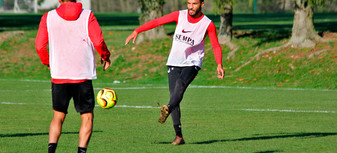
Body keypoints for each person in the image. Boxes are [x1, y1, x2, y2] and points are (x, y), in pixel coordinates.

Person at [125, 0, 224, 145]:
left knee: (180, 85)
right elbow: (158, 21)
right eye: (189, 3)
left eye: (194, 3)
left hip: (192, 62)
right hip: (174, 61)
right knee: (175, 96)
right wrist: (137, 31)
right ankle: (179, 136)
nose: (190, 6)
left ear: (202, 4)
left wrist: (219, 64)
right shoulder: (179, 15)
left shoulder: (208, 24)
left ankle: (168, 108)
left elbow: (215, 45)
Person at [35, 0, 111, 152]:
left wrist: (48, 63)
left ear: (59, 0)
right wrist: (105, 55)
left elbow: (39, 46)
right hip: (82, 75)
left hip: (59, 75)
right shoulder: (88, 16)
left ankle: (51, 151)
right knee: (87, 116)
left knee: (58, 116)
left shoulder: (48, 17)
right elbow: (98, 41)